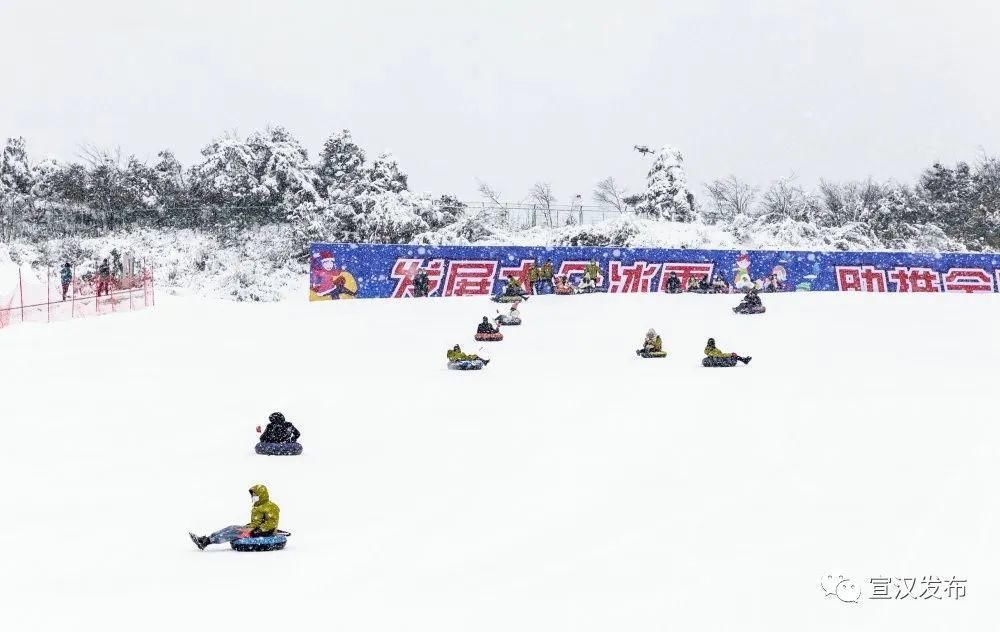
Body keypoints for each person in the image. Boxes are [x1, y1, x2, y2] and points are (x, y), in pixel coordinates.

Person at [190, 485, 280, 550]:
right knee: (232, 527)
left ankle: (207, 542)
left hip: (263, 532)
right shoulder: (258, 506)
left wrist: (257, 530)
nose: (253, 497)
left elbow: (272, 523)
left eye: (255, 495)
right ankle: (205, 538)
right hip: (254, 528)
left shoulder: (271, 507)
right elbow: (257, 521)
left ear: (261, 495)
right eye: (253, 495)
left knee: (234, 533)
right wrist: (249, 527)